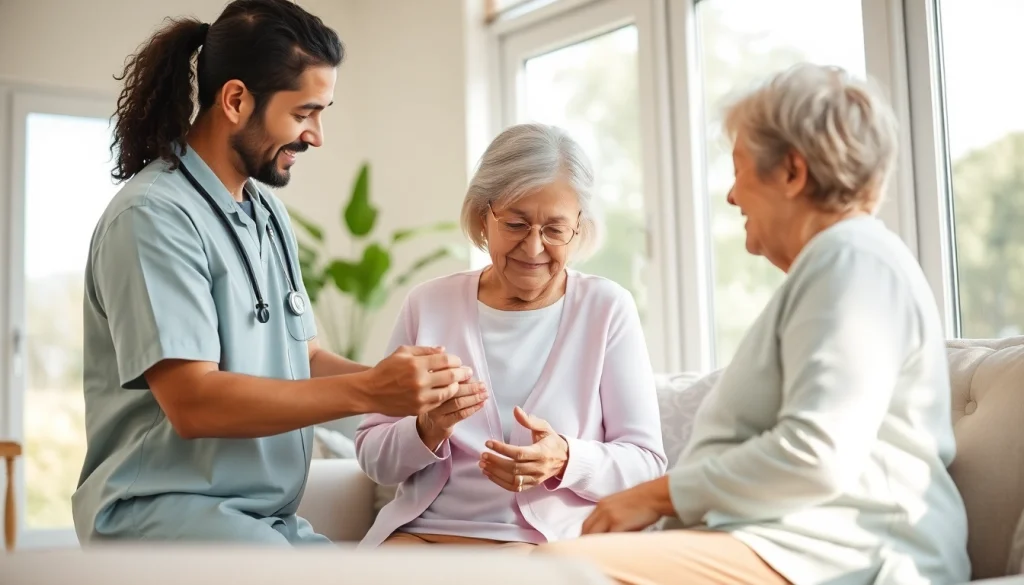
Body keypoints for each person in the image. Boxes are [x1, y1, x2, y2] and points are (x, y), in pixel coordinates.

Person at [537, 63, 971, 585]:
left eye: (739, 168)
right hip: (788, 544)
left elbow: (817, 453)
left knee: (555, 572)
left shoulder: (854, 258)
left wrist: (653, 496)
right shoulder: (837, 263)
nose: (731, 195)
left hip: (848, 555)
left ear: (791, 172)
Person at [73, 0, 471, 545]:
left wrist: (415, 386)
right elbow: (192, 401)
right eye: (304, 112)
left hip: (262, 519)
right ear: (236, 99)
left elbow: (301, 359)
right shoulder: (153, 216)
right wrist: (371, 391)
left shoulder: (265, 213)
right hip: (161, 516)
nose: (316, 135)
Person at [354, 123, 668, 550]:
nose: (534, 248)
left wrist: (565, 458)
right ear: (483, 216)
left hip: (539, 545)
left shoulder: (606, 309)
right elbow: (373, 454)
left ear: (580, 227)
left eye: (555, 230)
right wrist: (425, 429)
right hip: (422, 537)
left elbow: (646, 464)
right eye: (516, 223)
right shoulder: (429, 304)